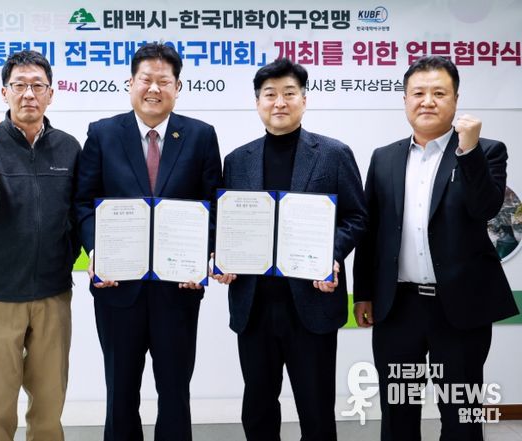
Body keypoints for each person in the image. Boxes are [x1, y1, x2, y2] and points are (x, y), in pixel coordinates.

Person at [353, 55, 519, 441]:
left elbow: (485, 208)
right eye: (418, 93)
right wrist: (363, 294)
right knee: (398, 412)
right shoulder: (384, 157)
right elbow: (371, 231)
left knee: (461, 415)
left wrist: (469, 150)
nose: (427, 101)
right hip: (398, 308)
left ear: (456, 99)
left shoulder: (486, 150)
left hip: (458, 308)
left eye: (439, 93)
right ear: (405, 100)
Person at [75, 42, 222, 441]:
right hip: (117, 287)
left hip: (178, 289)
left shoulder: (200, 136)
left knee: (175, 392)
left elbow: (214, 205)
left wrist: (202, 256)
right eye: (146, 79)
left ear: (178, 87)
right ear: (131, 83)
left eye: (164, 81)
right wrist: (97, 251)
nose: (154, 88)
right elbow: (84, 202)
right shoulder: (103, 134)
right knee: (120, 392)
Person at [214, 58, 367, 440]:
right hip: (254, 304)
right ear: (257, 102)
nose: (279, 102)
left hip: (311, 303)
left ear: (304, 99)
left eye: (289, 93)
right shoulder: (237, 160)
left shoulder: (333, 153)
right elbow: (224, 222)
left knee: (316, 409)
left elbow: (356, 216)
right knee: (258, 407)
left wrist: (331, 255)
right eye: (270, 94)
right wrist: (220, 257)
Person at [0, 50, 81, 440]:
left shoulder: (68, 147)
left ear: (51, 93)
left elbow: (79, 213)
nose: (29, 94)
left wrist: (69, 257)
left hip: (53, 294)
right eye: (20, 85)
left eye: (37, 85)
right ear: (4, 92)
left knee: (49, 404)